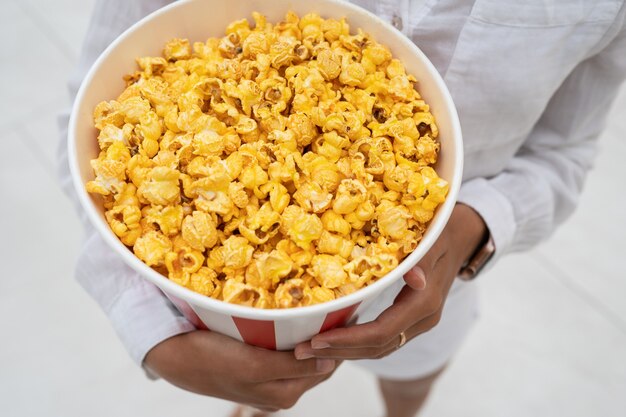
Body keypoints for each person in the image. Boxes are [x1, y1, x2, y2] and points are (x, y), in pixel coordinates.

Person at [58, 1, 626, 416]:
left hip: (436, 282)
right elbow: (89, 121)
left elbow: (564, 152)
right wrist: (151, 331)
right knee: (258, 387)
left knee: (412, 376)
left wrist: (477, 226)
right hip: (220, 309)